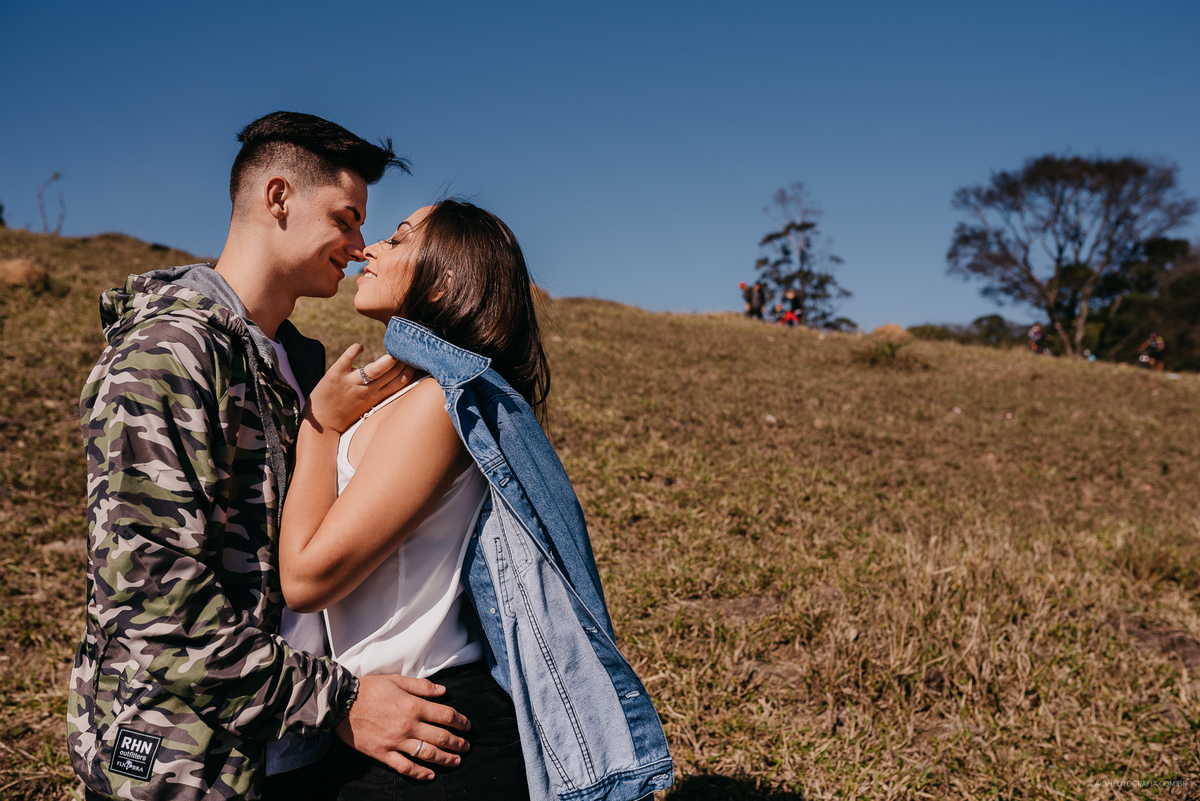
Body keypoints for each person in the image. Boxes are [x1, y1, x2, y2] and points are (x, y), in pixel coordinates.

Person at [67, 112, 472, 801]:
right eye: (346, 218)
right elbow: (157, 612)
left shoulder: (302, 364)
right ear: (277, 197)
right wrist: (339, 702)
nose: (358, 244)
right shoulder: (166, 356)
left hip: (289, 757)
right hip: (181, 767)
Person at [274, 200, 675, 800]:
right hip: (380, 718)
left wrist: (318, 429)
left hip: (435, 724)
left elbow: (307, 580)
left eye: (401, 238)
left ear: (452, 276)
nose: (371, 248)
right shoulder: (402, 400)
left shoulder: (435, 404)